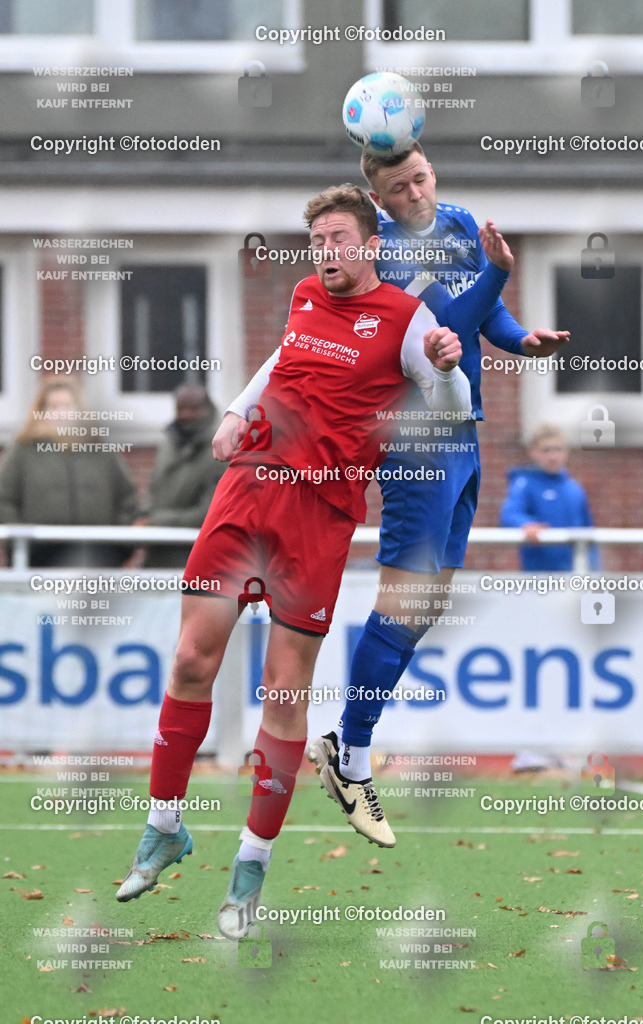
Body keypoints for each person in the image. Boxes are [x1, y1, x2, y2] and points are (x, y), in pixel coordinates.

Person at [115, 183, 512, 940]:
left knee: (282, 692)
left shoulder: (406, 320)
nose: (325, 253)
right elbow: (279, 361)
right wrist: (235, 413)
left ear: (368, 247)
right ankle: (165, 826)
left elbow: (454, 404)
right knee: (191, 661)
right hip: (245, 494)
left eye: (337, 240)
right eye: (317, 242)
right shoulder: (302, 296)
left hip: (319, 517)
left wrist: (451, 362)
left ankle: (249, 872)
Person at [300, 142, 571, 844]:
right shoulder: (379, 252)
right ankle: (350, 754)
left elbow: (484, 319)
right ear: (379, 201)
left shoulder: (455, 221)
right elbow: (445, 324)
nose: (416, 193)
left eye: (421, 177)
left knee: (425, 606)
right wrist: (498, 272)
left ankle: (347, 742)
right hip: (414, 440)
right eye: (399, 186)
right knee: (403, 599)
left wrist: (523, 339)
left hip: (464, 430)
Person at [0, 378, 138, 567]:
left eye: (66, 405)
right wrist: (19, 541)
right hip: (39, 556)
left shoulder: (101, 448)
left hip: (98, 554)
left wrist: (118, 544)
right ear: (42, 411)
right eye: (53, 406)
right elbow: (4, 499)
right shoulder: (24, 449)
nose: (60, 412)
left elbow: (127, 498)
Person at [142, 384, 225, 568]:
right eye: (181, 408)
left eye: (194, 409)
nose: (187, 415)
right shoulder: (168, 444)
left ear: (207, 409)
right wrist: (145, 516)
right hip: (158, 555)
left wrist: (156, 521)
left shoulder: (221, 451)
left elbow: (209, 513)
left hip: (197, 559)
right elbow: (154, 490)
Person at [499, 423, 599, 571]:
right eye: (546, 450)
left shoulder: (575, 489)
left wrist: (596, 571)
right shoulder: (525, 484)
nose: (552, 456)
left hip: (574, 576)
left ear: (566, 452)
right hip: (538, 578)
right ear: (533, 452)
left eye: (557, 450)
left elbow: (589, 533)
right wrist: (526, 525)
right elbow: (510, 514)